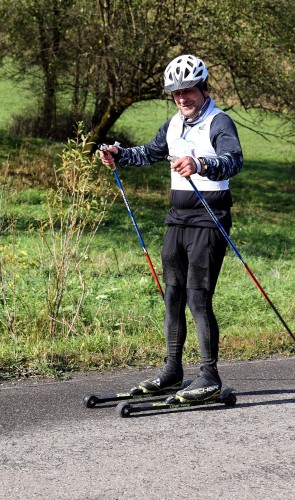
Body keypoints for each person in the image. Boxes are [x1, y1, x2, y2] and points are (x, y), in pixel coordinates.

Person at [98, 54, 243, 402]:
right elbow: (150, 153)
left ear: (202, 88)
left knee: (197, 296)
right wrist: (119, 154)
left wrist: (200, 162)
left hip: (209, 217)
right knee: (173, 295)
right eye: (176, 94)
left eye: (188, 91)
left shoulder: (219, 122)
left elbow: (233, 161)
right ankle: (172, 370)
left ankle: (209, 375)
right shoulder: (174, 124)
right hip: (177, 217)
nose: (182, 99)